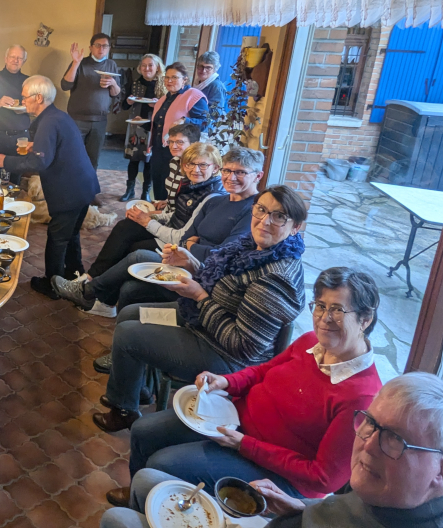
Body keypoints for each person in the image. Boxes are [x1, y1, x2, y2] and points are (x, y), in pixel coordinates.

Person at [107, 267, 383, 508]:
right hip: (233, 422)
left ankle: (157, 515)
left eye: (337, 309)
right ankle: (141, 500)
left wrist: (245, 446)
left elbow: (323, 478)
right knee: (144, 431)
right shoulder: (311, 342)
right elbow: (263, 370)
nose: (324, 317)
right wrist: (227, 381)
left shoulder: (361, 397)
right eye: (320, 305)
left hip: (273, 471)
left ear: (365, 319)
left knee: (162, 464)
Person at [98, 373, 443, 528]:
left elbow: (321, 477)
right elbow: (340, 515)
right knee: (145, 480)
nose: (368, 443)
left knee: (118, 522)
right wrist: (301, 509)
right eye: (370, 423)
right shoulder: (384, 493)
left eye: (394, 438)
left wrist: (246, 444)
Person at [93, 185, 307, 433]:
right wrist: (192, 264)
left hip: (227, 357)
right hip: (205, 324)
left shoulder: (276, 278)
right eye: (261, 209)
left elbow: (244, 346)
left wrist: (201, 298)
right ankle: (136, 388)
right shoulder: (250, 247)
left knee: (129, 334)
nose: (264, 220)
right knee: (131, 313)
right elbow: (224, 284)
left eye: (279, 216)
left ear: (295, 227)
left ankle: (124, 411)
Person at [61, 147, 264, 327]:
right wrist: (191, 244)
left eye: (240, 172)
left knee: (138, 254)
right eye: (228, 171)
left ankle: (88, 291)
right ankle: (127, 339)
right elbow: (188, 235)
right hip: (183, 258)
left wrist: (193, 247)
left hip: (203, 275)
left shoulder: (251, 211)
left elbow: (222, 254)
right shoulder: (217, 201)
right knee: (130, 285)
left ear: (257, 176)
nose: (231, 177)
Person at [0, 75, 100, 298]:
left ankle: (53, 285)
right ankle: (73, 274)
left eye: (24, 98)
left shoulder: (48, 121)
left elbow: (40, 162)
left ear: (38, 97)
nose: (22, 102)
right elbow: (56, 147)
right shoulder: (57, 116)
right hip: (83, 185)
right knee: (71, 235)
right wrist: (36, 146)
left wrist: (6, 161)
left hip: (70, 190)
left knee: (58, 238)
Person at [80, 126, 205, 289]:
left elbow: (185, 213)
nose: (174, 146)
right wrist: (167, 201)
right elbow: (180, 199)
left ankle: (94, 283)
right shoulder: (175, 163)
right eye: (171, 141)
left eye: (180, 142)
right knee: (125, 228)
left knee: (127, 236)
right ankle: (96, 282)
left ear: (193, 144)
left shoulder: (195, 173)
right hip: (169, 219)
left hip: (173, 230)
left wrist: (152, 215)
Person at [61, 33, 122, 172]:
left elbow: (116, 94)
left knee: (93, 158)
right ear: (91, 47)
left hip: (100, 121)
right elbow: (65, 85)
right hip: (77, 120)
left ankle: (88, 190)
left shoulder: (111, 65)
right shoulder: (80, 62)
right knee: (73, 156)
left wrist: (113, 83)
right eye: (98, 45)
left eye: (105, 46)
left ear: (109, 48)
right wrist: (75, 63)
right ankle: (72, 190)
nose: (101, 49)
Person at [149, 63, 208, 200]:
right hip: (159, 149)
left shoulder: (194, 96)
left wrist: (185, 121)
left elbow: (205, 123)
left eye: (174, 77)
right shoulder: (164, 99)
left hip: (178, 151)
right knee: (158, 183)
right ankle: (159, 213)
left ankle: (169, 216)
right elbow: (160, 125)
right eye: (167, 77)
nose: (169, 81)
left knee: (172, 187)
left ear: (185, 79)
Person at [120, 54, 166, 202]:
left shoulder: (163, 84)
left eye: (150, 65)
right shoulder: (134, 84)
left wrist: (157, 105)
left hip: (154, 128)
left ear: (157, 67)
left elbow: (168, 107)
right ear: (140, 68)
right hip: (136, 125)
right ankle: (130, 190)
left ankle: (146, 191)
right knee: (133, 159)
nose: (147, 68)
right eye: (144, 65)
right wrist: (128, 101)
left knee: (149, 162)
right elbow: (124, 105)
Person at [193, 50, 228, 121]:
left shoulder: (216, 87)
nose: (203, 71)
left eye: (208, 68)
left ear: (215, 69)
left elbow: (215, 115)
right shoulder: (198, 84)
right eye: (201, 66)